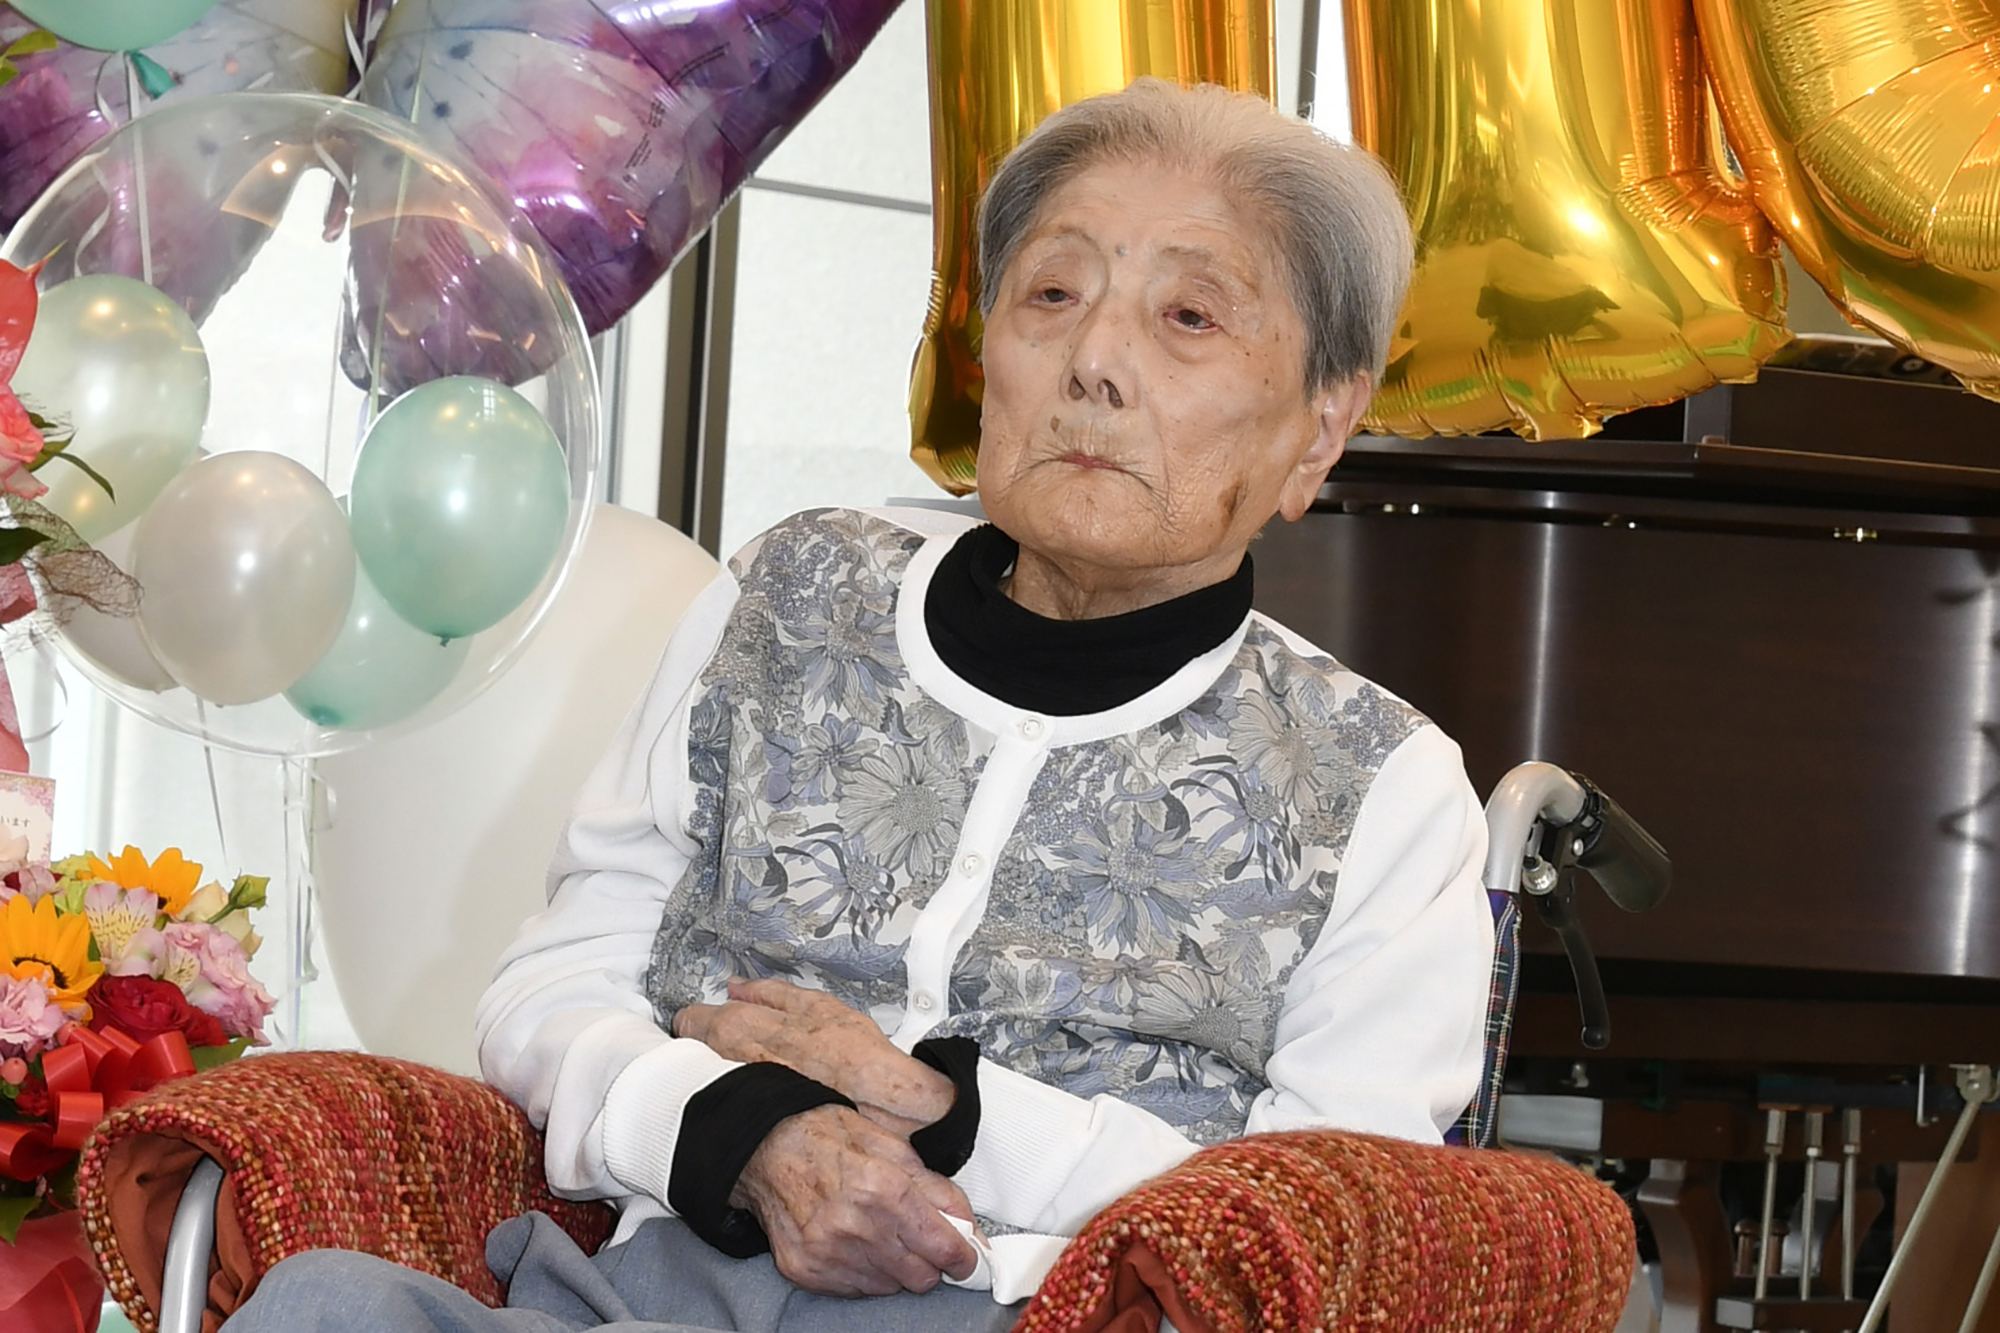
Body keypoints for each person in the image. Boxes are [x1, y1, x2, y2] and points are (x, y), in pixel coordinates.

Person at [224, 76, 1494, 1332]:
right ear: (983, 349)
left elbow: (1333, 1226)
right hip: (636, 1294)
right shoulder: (798, 589)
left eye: (1189, 318)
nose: (1094, 362)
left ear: (1320, 430)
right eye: (1052, 295)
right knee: (320, 1305)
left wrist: (948, 1114)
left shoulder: (1379, 784)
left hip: (1027, 1313)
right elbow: (555, 984)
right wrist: (740, 1131)